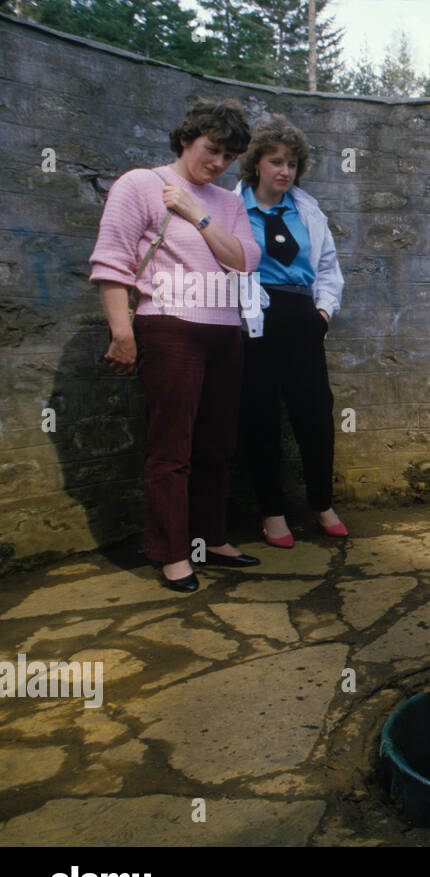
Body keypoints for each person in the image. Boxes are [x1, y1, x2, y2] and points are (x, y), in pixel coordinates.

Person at [91, 98, 262, 592]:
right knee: (172, 448)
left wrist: (195, 213)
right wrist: (122, 332)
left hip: (225, 332)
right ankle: (171, 552)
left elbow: (246, 260)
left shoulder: (227, 202)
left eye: (228, 158)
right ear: (186, 138)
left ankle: (210, 539)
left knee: (217, 444)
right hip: (168, 327)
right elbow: (112, 262)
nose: (218, 164)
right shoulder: (141, 184)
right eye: (212, 151)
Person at [234, 115, 346, 548]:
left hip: (302, 317)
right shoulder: (232, 208)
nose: (284, 171)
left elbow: (327, 269)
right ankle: (273, 512)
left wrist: (321, 313)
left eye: (292, 164)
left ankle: (322, 503)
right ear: (257, 163)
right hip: (253, 320)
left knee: (316, 414)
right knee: (259, 416)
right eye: (275, 161)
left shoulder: (307, 210)